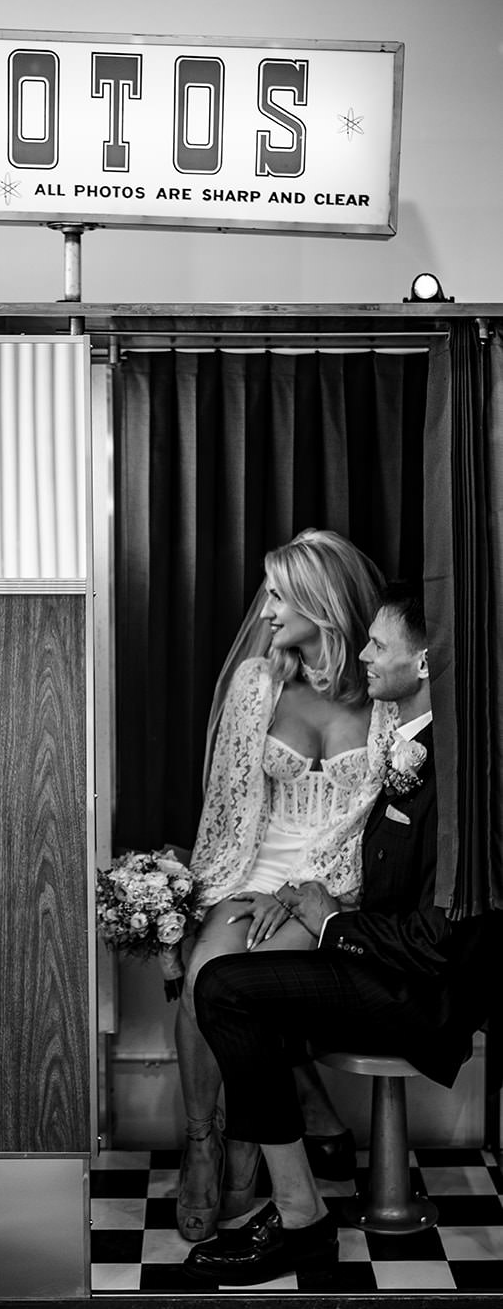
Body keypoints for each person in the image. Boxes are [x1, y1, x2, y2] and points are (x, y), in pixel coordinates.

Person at [184, 583, 499, 1285]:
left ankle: (300, 1218)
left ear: (423, 663)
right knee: (225, 985)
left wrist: (326, 918)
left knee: (229, 993)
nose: (362, 653)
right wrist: (306, 894)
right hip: (385, 962)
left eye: (379, 644)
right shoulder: (405, 744)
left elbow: (436, 943)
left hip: (422, 993)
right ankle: (296, 1196)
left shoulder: (456, 777)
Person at [175, 530, 391, 1242]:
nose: (264, 610)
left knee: (238, 980)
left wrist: (304, 891)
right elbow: (230, 801)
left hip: (334, 883)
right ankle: (202, 1147)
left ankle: (246, 1157)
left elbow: (372, 823)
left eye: (278, 595)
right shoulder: (258, 682)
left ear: (321, 604)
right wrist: (203, 899)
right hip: (252, 867)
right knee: (205, 964)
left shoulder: (388, 696)